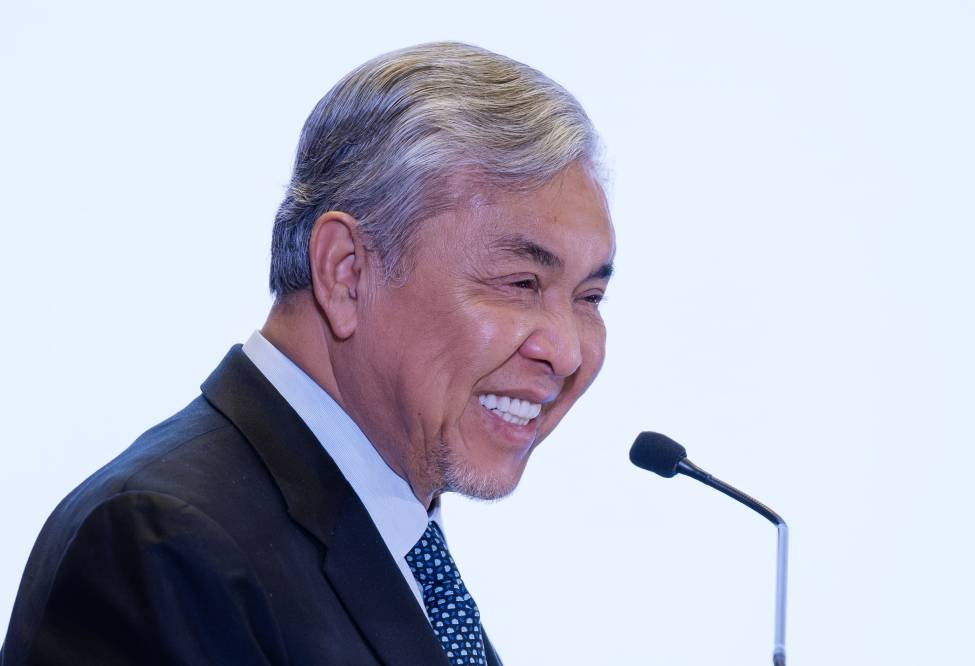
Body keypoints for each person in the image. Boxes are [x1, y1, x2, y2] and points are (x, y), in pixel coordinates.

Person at [2, 41, 615, 665]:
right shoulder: (161, 544)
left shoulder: (395, 529)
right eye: (521, 284)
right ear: (346, 272)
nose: (566, 352)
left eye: (589, 297)